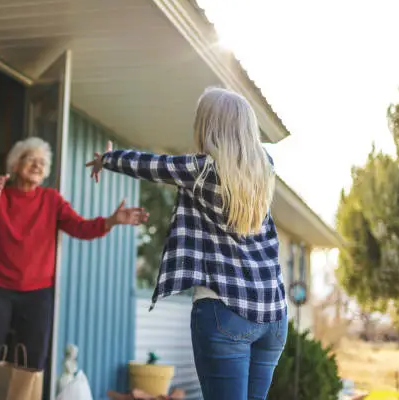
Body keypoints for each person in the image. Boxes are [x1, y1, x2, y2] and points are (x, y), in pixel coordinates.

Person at [87, 87, 287, 400]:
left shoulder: (202, 169)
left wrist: (108, 159)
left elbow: (151, 165)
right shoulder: (266, 168)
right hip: (273, 314)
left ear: (208, 126)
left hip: (226, 309)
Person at [0, 136, 148, 370]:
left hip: (37, 290)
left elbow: (80, 227)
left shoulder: (51, 200)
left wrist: (112, 221)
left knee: (33, 358)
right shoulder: (0, 195)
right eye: (30, 159)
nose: (37, 165)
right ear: (14, 165)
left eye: (42, 162)